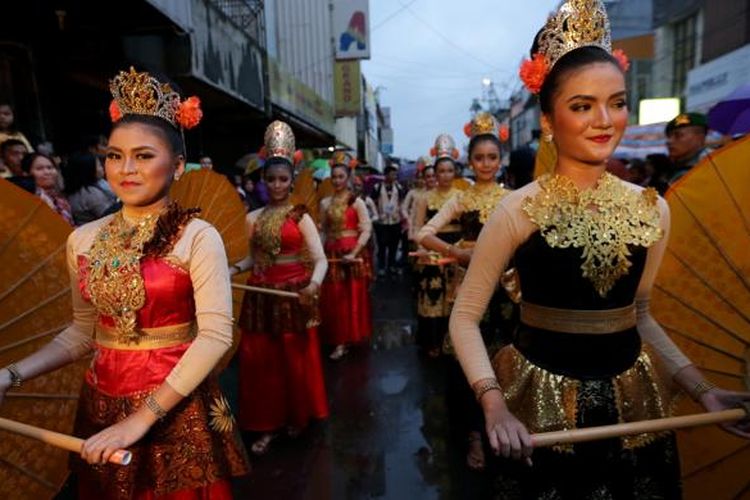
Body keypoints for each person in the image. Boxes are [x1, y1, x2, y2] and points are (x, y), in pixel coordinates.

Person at [449, 2, 750, 498]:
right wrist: (494, 404)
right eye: (582, 105)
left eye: (617, 102)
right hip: (539, 406)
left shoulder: (653, 208)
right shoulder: (517, 210)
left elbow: (642, 314)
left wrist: (703, 390)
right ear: (548, 119)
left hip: (634, 406)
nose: (604, 121)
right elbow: (465, 317)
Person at [0, 68, 249, 497]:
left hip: (175, 407)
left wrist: (141, 419)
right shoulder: (83, 238)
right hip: (101, 404)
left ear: (177, 164)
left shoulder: (197, 236)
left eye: (144, 155)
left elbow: (214, 336)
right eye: (114, 155)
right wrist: (11, 374)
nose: (126, 169)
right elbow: (83, 333)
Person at [417, 114, 513, 470]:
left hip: (507, 290)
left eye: (492, 157)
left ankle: (505, 429)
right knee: (469, 363)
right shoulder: (462, 198)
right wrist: (458, 252)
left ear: (500, 160)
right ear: (469, 162)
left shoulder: (513, 198)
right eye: (479, 158)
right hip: (471, 287)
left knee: (506, 359)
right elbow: (423, 233)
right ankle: (475, 434)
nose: (486, 164)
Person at [230, 120, 329, 456]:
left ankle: (296, 416)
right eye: (270, 179)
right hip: (261, 297)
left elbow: (321, 260)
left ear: (291, 181)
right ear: (263, 180)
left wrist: (313, 285)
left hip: (293, 296)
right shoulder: (253, 218)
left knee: (293, 361)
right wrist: (231, 269)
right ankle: (264, 424)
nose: (276, 185)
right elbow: (250, 258)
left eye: (282, 179)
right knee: (260, 364)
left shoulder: (301, 216)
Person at [318, 151, 373, 360]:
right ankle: (339, 340)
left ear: (348, 177)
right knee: (334, 299)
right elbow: (323, 230)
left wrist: (355, 252)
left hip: (351, 255)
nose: (337, 180)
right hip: (332, 254)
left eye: (341, 176)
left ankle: (352, 336)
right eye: (334, 177)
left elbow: (366, 229)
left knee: (352, 296)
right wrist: (319, 254)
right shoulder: (325, 203)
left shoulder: (356, 201)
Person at [413, 134, 462, 358]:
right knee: (433, 298)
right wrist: (423, 249)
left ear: (455, 172)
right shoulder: (424, 198)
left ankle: (454, 341)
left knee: (456, 299)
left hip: (457, 252)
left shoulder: (462, 196)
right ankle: (432, 342)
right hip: (432, 250)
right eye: (441, 171)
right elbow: (417, 228)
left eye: (449, 171)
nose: (445, 175)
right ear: (435, 173)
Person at [63, 151, 121, 225]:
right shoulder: (89, 194)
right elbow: (111, 217)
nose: (102, 167)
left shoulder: (98, 182)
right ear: (89, 170)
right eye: (99, 165)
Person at [370, 163, 405, 277]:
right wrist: (376, 214)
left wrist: (400, 213)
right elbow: (372, 202)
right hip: (382, 222)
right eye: (391, 174)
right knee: (381, 245)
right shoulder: (377, 187)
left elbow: (401, 201)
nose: (394, 176)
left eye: (395, 174)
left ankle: (391, 265)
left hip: (395, 221)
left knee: (394, 245)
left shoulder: (399, 187)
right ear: (385, 175)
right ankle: (381, 266)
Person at [21, 152, 74, 225]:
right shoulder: (31, 201)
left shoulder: (60, 198)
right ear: (27, 174)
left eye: (50, 167)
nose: (47, 172)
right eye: (39, 169)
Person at [666, 112, 709, 184]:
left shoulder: (710, 167)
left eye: (678, 135)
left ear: (700, 137)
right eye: (669, 136)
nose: (669, 141)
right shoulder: (673, 167)